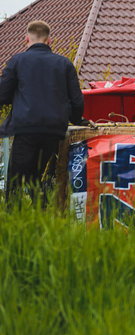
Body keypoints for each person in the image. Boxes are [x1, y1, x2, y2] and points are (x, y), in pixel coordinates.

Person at [0, 20, 87, 206]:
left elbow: (2, 95)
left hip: (26, 129)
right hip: (54, 132)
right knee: (43, 178)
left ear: (26, 39)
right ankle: (46, 215)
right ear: (49, 41)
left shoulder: (17, 61)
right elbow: (77, 101)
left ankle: (13, 219)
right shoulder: (64, 64)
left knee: (16, 181)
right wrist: (76, 119)